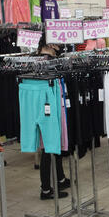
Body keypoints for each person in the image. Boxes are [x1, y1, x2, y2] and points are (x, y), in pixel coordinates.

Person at [37, 40, 70, 200]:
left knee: (52, 145)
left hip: (50, 107)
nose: (59, 46)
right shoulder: (45, 63)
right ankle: (45, 189)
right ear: (50, 44)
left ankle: (60, 178)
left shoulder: (48, 61)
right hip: (46, 109)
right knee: (47, 148)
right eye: (56, 43)